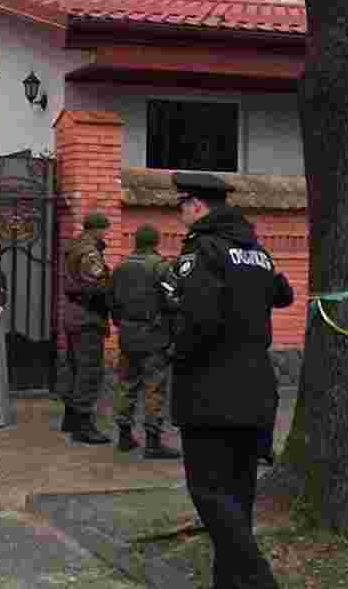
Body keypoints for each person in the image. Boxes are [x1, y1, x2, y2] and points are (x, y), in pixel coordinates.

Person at [167, 173, 294, 589]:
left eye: (181, 204)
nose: (179, 213)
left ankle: (258, 581)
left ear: (197, 206)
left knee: (208, 492)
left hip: (210, 390)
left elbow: (199, 321)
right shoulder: (255, 251)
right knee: (237, 496)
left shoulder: (203, 250)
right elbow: (284, 294)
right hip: (256, 389)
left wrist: (176, 353)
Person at [111, 224, 182, 458]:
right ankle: (153, 442)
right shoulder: (160, 267)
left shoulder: (121, 267)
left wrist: (122, 323)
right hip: (153, 336)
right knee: (154, 387)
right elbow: (173, 300)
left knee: (126, 384)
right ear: (155, 242)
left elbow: (112, 301)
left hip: (127, 333)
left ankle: (124, 436)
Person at [58, 211, 114, 445]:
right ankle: (83, 425)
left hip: (74, 314)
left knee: (74, 367)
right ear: (98, 229)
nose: (107, 233)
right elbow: (98, 286)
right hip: (87, 317)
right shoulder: (90, 253)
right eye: (105, 229)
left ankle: (70, 418)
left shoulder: (74, 247)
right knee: (89, 370)